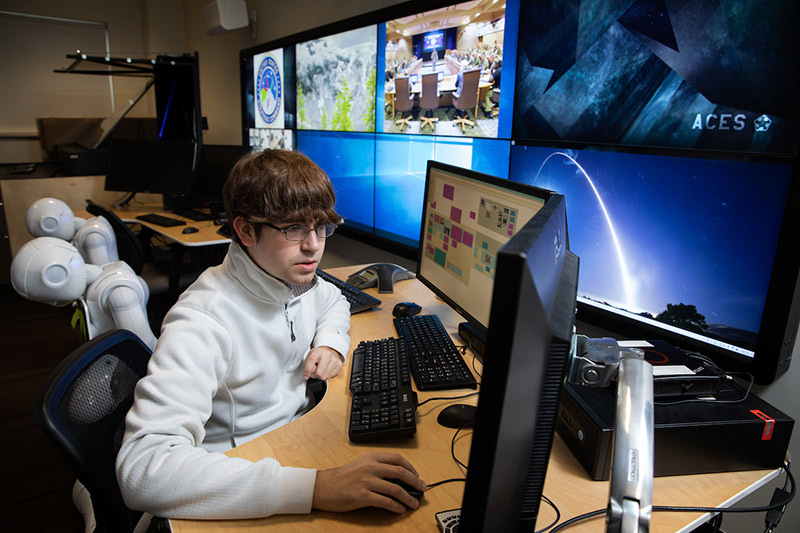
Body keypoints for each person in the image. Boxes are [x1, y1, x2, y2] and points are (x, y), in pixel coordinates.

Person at [116, 150, 426, 524]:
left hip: (293, 441)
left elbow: (334, 300)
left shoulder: (293, 278)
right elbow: (143, 470)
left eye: (322, 226)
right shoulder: (202, 320)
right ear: (246, 230)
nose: (313, 245)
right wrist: (318, 489)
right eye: (293, 228)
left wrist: (331, 342)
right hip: (236, 474)